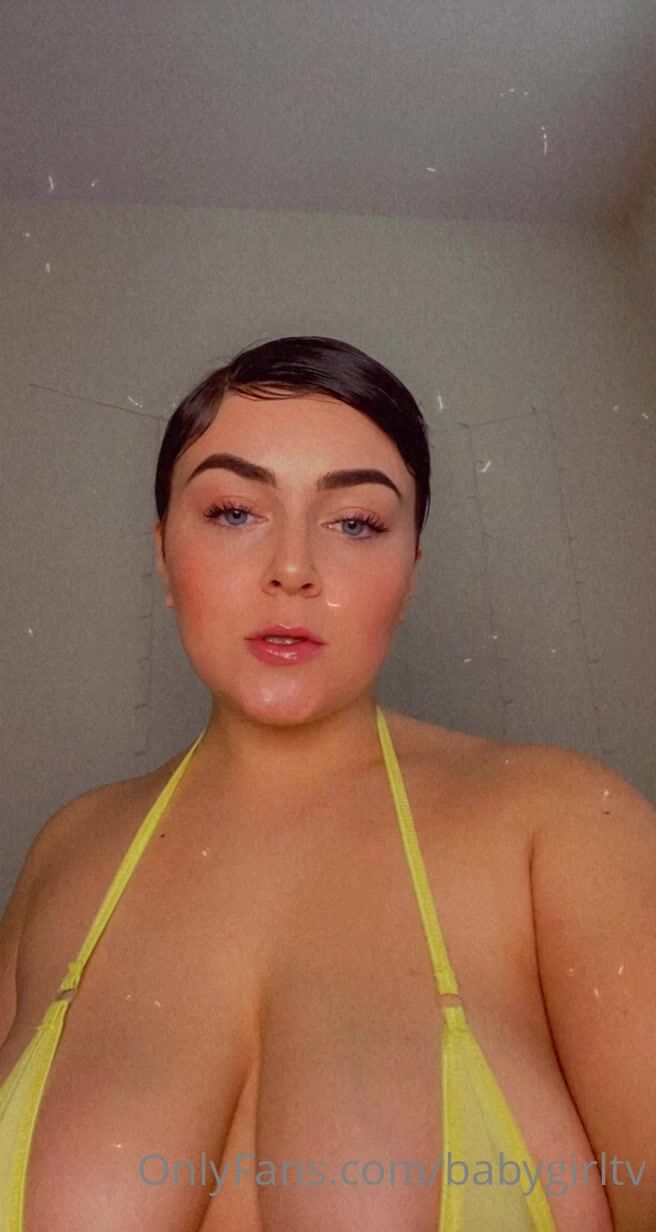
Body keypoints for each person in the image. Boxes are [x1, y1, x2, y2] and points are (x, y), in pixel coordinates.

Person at [0, 334, 654, 1232]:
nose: (293, 569)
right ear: (162, 553)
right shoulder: (69, 854)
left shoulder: (564, 825)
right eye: (235, 511)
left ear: (411, 571)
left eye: (355, 523)